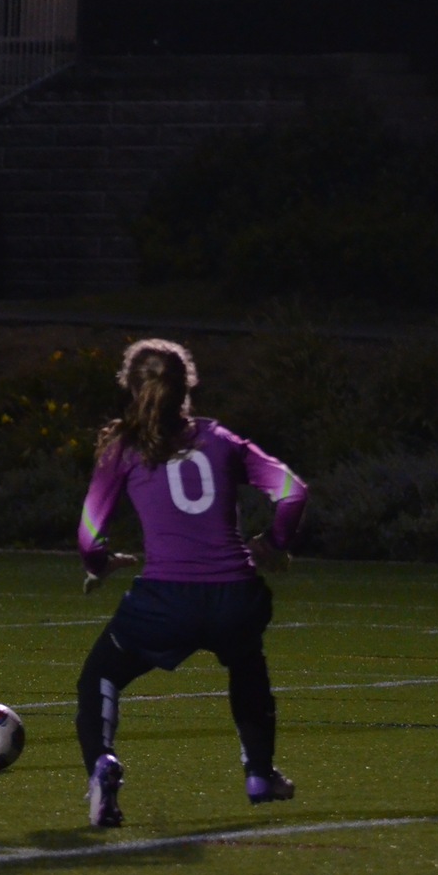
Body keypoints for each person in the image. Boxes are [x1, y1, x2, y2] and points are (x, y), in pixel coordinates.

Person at [73, 339, 309, 828]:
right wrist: (274, 543)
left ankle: (102, 765)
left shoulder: (124, 449)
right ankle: (260, 774)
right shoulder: (221, 440)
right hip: (234, 597)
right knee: (246, 661)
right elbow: (291, 491)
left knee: (101, 674)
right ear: (188, 387)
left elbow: (89, 533)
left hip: (166, 601)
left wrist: (99, 563)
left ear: (130, 387)